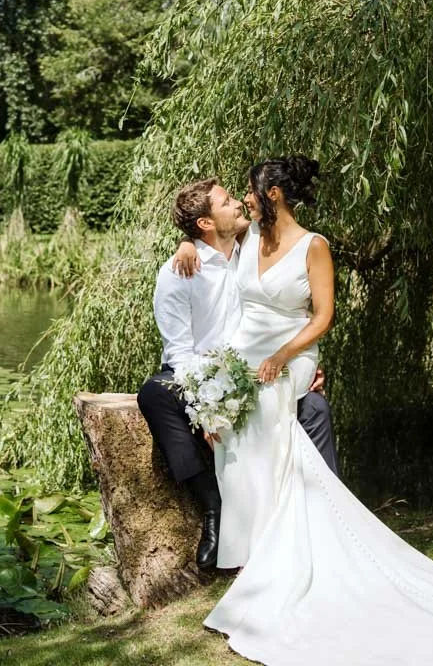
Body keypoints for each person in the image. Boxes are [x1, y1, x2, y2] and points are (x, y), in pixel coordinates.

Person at [193, 157, 433, 666]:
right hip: (243, 360)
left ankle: (279, 558)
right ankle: (253, 557)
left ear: (275, 195)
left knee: (271, 420)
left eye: (251, 193)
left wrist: (284, 357)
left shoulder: (314, 246)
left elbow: (324, 316)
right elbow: (204, 241)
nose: (244, 200)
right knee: (237, 446)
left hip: (289, 357)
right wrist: (183, 244)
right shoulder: (244, 240)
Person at [137, 177, 340, 571]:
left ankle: (325, 514)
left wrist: (299, 364)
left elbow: (288, 310)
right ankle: (213, 506)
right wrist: (208, 402)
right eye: (227, 201)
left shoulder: (252, 248)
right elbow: (179, 353)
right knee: (155, 393)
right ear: (205, 225)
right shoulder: (180, 271)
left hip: (256, 369)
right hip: (197, 374)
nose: (238, 204)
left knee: (315, 408)